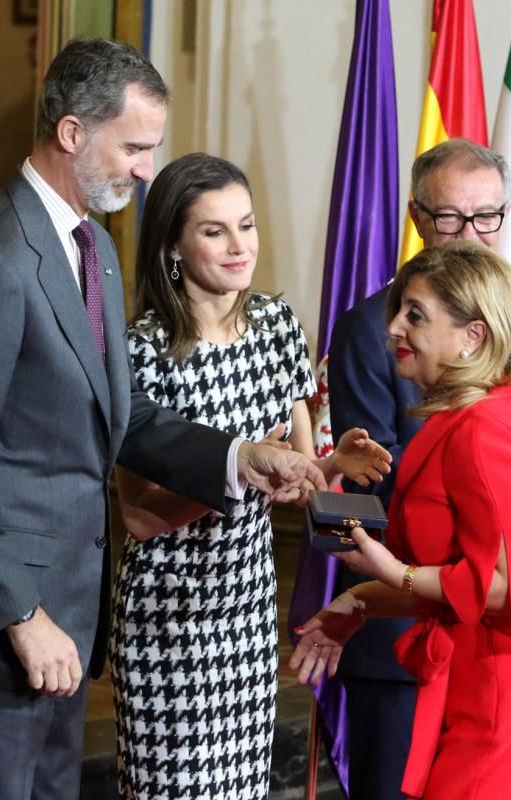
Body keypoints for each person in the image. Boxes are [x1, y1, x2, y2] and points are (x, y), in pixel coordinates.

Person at [0, 41, 325, 800]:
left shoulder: (92, 249)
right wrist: (22, 615)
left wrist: (237, 458)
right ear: (73, 134)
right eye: (136, 148)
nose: (148, 170)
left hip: (67, 630)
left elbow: (120, 415)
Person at [321, 138, 511, 798]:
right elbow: (374, 494)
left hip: (498, 670)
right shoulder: (469, 408)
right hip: (440, 645)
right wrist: (360, 592)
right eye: (451, 217)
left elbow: (502, 579)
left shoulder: (486, 426)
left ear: (475, 336)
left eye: (487, 216)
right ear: (417, 215)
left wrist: (387, 575)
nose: (395, 328)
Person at [108, 153, 390, 799]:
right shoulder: (142, 350)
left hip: (245, 607)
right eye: (215, 231)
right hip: (168, 617)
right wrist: (237, 476)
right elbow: (139, 516)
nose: (240, 247)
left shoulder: (277, 327)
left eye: (247, 225)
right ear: (174, 246)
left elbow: (294, 473)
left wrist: (327, 465)